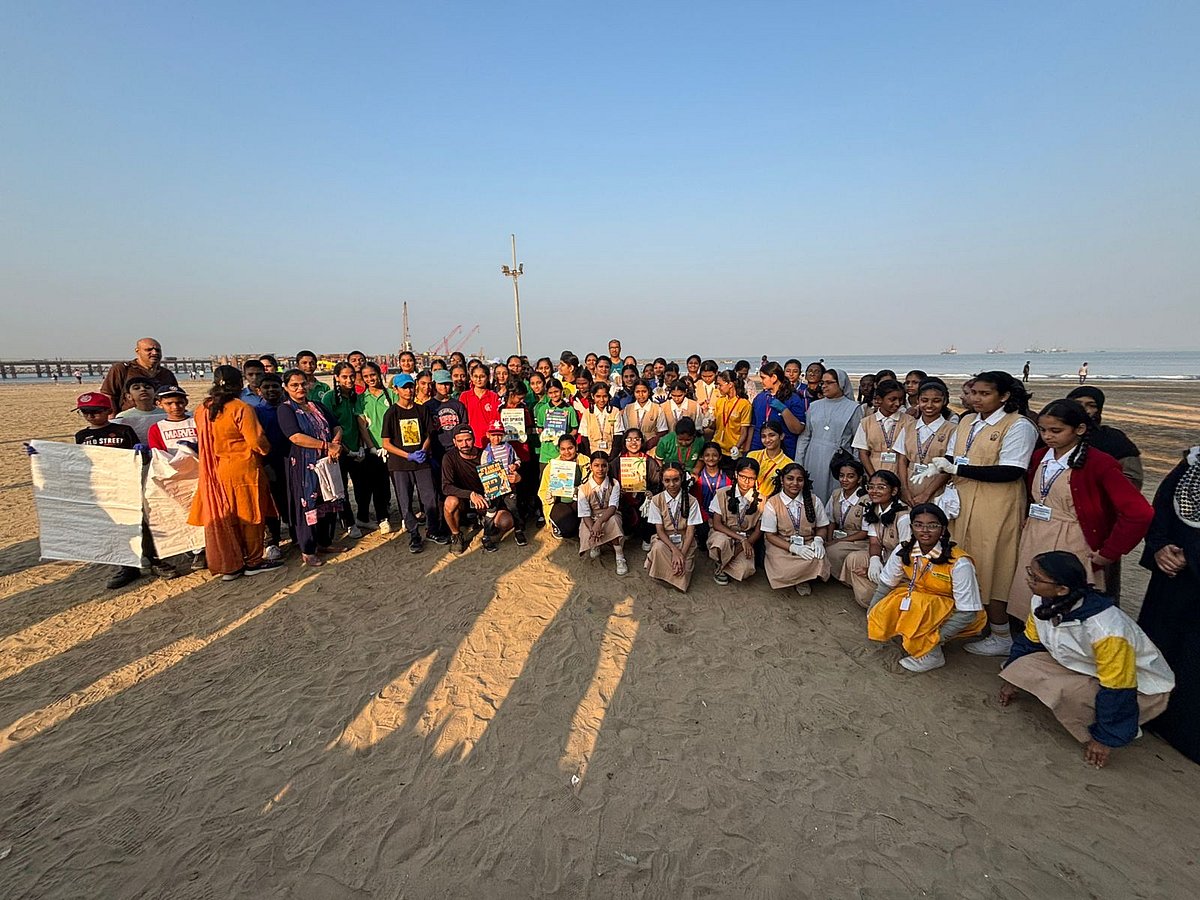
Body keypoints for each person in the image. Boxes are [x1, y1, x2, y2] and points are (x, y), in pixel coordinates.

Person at [1001, 551, 1174, 768]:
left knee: (1064, 691)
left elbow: (1118, 687)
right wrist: (1012, 677)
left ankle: (1117, 726)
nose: (1029, 581)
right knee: (1023, 664)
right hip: (1087, 666)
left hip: (1140, 687)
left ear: (1062, 590)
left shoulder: (1106, 629)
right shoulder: (1042, 600)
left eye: (1036, 578)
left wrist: (1104, 739)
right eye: (1030, 573)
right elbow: (1029, 642)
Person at [913, 371, 1037, 656]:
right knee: (959, 559)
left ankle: (1001, 632)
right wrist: (938, 465)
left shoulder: (1018, 425)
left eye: (985, 394)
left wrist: (956, 469)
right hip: (963, 501)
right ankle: (965, 621)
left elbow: (1012, 470)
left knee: (993, 564)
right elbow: (955, 455)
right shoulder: (967, 421)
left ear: (1004, 396)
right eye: (973, 393)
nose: (976, 399)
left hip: (996, 505)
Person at [1008, 400, 1152, 621]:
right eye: (1043, 430)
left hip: (1073, 539)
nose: (1047, 436)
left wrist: (1110, 552)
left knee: (1068, 601)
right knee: (1032, 592)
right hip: (1036, 534)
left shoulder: (1099, 463)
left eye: (1056, 431)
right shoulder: (1040, 456)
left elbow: (1139, 512)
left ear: (1080, 429)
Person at [69, 392, 177, 588]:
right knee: (116, 526)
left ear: (108, 411)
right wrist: (41, 454)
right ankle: (128, 566)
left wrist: (142, 452)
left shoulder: (123, 430)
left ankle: (154, 559)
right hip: (104, 486)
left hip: (127, 482)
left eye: (95, 411)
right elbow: (79, 461)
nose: (90, 416)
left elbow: (141, 458)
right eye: (85, 412)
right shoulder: (82, 436)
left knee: (141, 522)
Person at [1135, 446, 1200, 764]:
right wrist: (1160, 546)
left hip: (1191, 569)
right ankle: (1152, 714)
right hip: (1172, 577)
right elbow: (1160, 508)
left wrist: (1192, 556)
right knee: (1160, 643)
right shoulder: (1191, 464)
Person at [867, 504, 987, 672]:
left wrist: (935, 639)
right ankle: (913, 638)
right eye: (918, 525)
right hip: (921, 603)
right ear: (911, 528)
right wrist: (873, 610)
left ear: (943, 529)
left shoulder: (959, 562)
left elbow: (968, 613)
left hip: (952, 611)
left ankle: (932, 655)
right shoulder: (904, 549)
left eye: (932, 525)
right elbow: (886, 584)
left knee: (920, 604)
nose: (925, 530)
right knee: (897, 598)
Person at [188, 366, 281, 580]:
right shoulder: (241, 408)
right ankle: (253, 561)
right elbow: (257, 441)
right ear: (240, 384)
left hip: (215, 470)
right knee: (250, 515)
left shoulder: (202, 409)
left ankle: (231, 562)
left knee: (227, 517)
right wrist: (268, 451)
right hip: (243, 469)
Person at [277, 369, 345, 567]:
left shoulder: (317, 405)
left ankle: (324, 542)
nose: (300, 388)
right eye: (294, 385)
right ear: (286, 388)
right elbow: (295, 437)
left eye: (303, 384)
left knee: (328, 500)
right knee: (308, 504)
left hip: (326, 462)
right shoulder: (286, 409)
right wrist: (326, 445)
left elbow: (336, 426)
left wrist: (336, 442)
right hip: (304, 465)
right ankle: (308, 549)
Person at [381, 373, 447, 553]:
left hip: (422, 463)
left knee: (429, 497)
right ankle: (413, 534)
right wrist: (407, 455)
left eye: (410, 386)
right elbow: (386, 443)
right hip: (400, 465)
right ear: (396, 390)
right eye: (404, 387)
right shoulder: (391, 413)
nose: (408, 390)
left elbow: (429, 434)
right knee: (405, 500)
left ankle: (432, 530)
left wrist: (423, 450)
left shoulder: (421, 410)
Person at [839, 470, 911, 608]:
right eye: (871, 487)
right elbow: (874, 542)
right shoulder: (874, 508)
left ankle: (885, 596)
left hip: (902, 568)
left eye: (881, 487)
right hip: (885, 557)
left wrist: (877, 571)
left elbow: (905, 554)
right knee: (854, 559)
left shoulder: (904, 517)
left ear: (894, 491)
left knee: (866, 595)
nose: (874, 491)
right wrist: (874, 560)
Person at [761, 463, 830, 596]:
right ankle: (802, 576)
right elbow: (770, 536)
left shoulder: (814, 500)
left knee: (819, 558)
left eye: (800, 479)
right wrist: (794, 548)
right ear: (782, 480)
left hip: (808, 542)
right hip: (781, 545)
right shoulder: (772, 503)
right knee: (782, 569)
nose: (795, 483)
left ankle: (802, 579)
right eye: (790, 478)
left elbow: (822, 527)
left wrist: (818, 540)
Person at [795, 368, 862, 501]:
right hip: (813, 457)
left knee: (834, 497)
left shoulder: (853, 408)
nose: (824, 386)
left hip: (838, 459)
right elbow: (805, 437)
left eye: (829, 382)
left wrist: (855, 467)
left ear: (841, 384)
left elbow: (858, 442)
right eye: (822, 383)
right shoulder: (814, 406)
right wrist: (799, 462)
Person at [326, 363, 377, 537]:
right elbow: (329, 426)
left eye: (351, 376)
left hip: (357, 449)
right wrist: (346, 450)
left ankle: (363, 517)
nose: (349, 380)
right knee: (341, 489)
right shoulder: (330, 398)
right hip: (340, 451)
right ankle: (349, 522)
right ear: (336, 377)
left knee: (364, 486)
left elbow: (360, 424)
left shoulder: (356, 396)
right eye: (344, 377)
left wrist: (361, 447)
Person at [1065, 386, 1144, 488]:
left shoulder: (1113, 438)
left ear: (1098, 409)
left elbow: (1132, 479)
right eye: (1077, 404)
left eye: (1091, 405)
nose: (1084, 409)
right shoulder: (1052, 434)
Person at [645, 461, 703, 591]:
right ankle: (666, 572)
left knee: (682, 570)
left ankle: (665, 572)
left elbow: (690, 532)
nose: (672, 485)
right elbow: (659, 531)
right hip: (665, 540)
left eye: (676, 480)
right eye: (667, 481)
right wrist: (675, 551)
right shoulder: (656, 500)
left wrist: (681, 554)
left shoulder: (692, 501)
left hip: (684, 541)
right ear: (662, 481)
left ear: (682, 479)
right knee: (658, 547)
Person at [902, 379, 959, 506]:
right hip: (909, 486)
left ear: (944, 401)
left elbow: (949, 464)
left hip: (937, 489)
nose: (929, 405)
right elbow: (902, 459)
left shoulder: (952, 429)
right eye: (924, 400)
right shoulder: (909, 426)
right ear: (918, 400)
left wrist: (926, 494)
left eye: (936, 401)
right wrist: (904, 489)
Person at [707, 458, 763, 585]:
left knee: (746, 570)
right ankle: (721, 562)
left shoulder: (761, 500)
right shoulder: (722, 493)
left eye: (751, 478)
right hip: (724, 533)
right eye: (743, 476)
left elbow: (758, 530)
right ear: (736, 474)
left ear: (756, 478)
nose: (746, 481)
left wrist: (744, 543)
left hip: (747, 538)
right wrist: (741, 539)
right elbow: (717, 524)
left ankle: (723, 565)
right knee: (721, 543)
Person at [355, 361, 396, 532]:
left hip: (392, 447)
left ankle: (403, 514)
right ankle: (382, 518)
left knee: (396, 483)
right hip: (374, 450)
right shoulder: (361, 399)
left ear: (379, 374)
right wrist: (372, 447)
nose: (370, 379)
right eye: (366, 376)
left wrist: (390, 444)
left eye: (373, 374)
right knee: (378, 484)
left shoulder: (392, 395)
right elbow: (362, 426)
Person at [254, 373, 290, 557]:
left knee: (291, 499)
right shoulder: (257, 412)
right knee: (272, 503)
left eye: (275, 386)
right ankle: (273, 541)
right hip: (269, 463)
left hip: (291, 461)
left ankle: (297, 535)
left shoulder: (289, 408)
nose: (271, 390)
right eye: (266, 387)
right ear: (259, 391)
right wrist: (265, 464)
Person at [577, 452, 628, 574]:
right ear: (591, 466)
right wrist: (593, 528)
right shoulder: (583, 487)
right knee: (586, 529)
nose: (600, 469)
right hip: (591, 517)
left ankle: (619, 556)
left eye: (603, 465)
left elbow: (613, 507)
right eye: (596, 465)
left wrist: (599, 523)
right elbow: (585, 513)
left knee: (614, 521)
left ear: (608, 467)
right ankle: (596, 544)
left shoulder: (614, 483)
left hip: (609, 515)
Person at [612, 427, 661, 550]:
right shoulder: (617, 462)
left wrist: (652, 492)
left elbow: (657, 483)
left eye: (637, 439)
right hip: (624, 498)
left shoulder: (649, 461)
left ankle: (646, 537)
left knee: (649, 506)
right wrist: (617, 490)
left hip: (643, 498)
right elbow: (611, 481)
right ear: (624, 442)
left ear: (642, 441)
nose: (633, 442)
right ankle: (627, 532)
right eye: (629, 439)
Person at [851, 378, 908, 481]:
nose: (897, 403)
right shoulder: (866, 422)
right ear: (879, 399)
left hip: (900, 474)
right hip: (873, 471)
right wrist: (874, 477)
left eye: (900, 399)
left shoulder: (909, 422)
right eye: (892, 399)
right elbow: (863, 453)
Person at [101, 337, 179, 411]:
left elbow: (176, 396)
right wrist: (112, 416)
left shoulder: (166, 374)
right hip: (130, 417)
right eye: (149, 350)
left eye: (158, 350)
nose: (154, 353)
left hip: (160, 416)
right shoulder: (122, 369)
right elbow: (108, 395)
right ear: (137, 351)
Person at [748, 361, 806, 458]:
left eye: (763, 378)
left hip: (784, 452)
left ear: (774, 378)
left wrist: (784, 410)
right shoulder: (760, 398)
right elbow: (753, 426)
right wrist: (748, 449)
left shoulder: (793, 398)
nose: (761, 381)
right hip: (758, 449)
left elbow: (798, 429)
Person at [824, 458, 869, 579]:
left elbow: (864, 532)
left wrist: (837, 542)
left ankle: (845, 579)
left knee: (833, 551)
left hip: (859, 540)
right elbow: (831, 520)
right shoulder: (836, 494)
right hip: (839, 536)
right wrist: (829, 540)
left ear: (859, 479)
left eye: (850, 476)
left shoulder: (866, 499)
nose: (844, 480)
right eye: (841, 476)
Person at [538, 434, 590, 539]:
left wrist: (581, 490)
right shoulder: (551, 466)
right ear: (559, 450)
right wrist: (549, 497)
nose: (567, 452)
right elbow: (542, 490)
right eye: (563, 449)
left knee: (583, 523)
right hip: (559, 503)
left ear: (576, 447)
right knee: (568, 530)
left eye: (570, 448)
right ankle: (556, 523)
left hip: (580, 501)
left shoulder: (587, 463)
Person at [535, 379, 579, 470]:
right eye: (550, 393)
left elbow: (575, 429)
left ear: (561, 390)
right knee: (545, 477)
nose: (554, 395)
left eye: (556, 391)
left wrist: (564, 438)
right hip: (546, 453)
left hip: (563, 453)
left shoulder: (569, 409)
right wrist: (543, 434)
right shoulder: (543, 409)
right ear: (547, 393)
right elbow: (540, 428)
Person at [710, 370, 752, 462]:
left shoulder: (744, 404)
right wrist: (709, 422)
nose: (718, 388)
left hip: (733, 450)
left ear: (730, 384)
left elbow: (744, 431)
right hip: (718, 448)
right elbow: (715, 426)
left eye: (720, 385)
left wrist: (737, 447)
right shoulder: (720, 401)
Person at [112, 376, 168, 441]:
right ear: (129, 396)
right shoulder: (123, 417)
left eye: (147, 387)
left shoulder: (166, 412)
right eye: (136, 388)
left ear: (155, 393)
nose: (143, 389)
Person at [619, 380, 667, 451]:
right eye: (637, 392)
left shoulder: (657, 408)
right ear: (634, 393)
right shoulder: (628, 408)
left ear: (649, 392)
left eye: (644, 391)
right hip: (632, 447)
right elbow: (625, 431)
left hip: (651, 447)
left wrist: (648, 445)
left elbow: (662, 431)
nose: (641, 395)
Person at [146, 386, 197, 453]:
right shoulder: (156, 428)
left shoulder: (197, 423)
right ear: (159, 404)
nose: (175, 407)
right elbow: (157, 453)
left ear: (186, 402)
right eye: (169, 403)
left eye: (179, 402)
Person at [578, 381, 620, 458]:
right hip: (592, 453)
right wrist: (589, 457)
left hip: (610, 453)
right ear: (592, 396)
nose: (602, 400)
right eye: (598, 396)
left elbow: (618, 436)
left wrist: (612, 457)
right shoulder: (587, 413)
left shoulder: (615, 411)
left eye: (605, 396)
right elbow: (584, 437)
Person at [749, 421, 790, 496]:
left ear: (781, 436)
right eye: (763, 436)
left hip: (772, 502)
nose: (767, 440)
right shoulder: (752, 456)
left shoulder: (788, 464)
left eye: (772, 435)